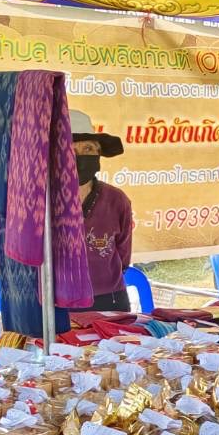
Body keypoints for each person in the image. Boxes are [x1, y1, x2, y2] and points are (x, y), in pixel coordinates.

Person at [67, 110, 134, 311]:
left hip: (109, 298)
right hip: (56, 301)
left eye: (88, 148)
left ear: (98, 154)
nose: (80, 157)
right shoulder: (40, 201)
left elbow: (123, 254)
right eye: (70, 150)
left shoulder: (116, 199)